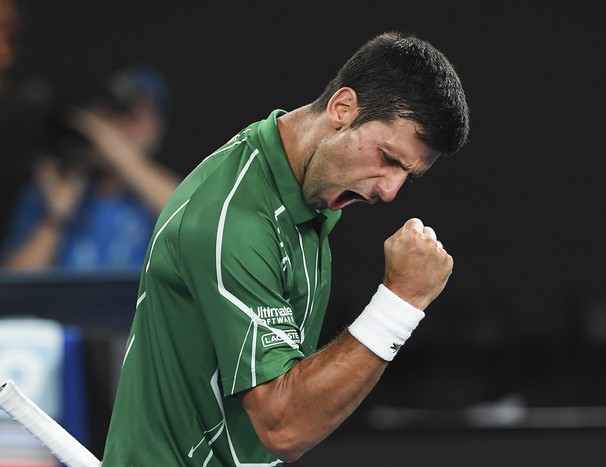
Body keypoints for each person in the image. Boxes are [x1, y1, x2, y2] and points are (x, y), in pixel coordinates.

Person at [101, 31, 469, 465]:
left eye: (408, 173)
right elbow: (283, 424)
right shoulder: (231, 222)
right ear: (342, 108)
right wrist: (400, 303)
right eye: (388, 158)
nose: (391, 191)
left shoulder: (304, 188)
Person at [0, 65, 181, 270]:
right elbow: (17, 288)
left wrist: (116, 151)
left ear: (156, 130)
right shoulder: (52, 190)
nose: (121, 127)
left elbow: (190, 219)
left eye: (134, 118)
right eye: (113, 114)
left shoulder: (156, 198)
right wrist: (55, 218)